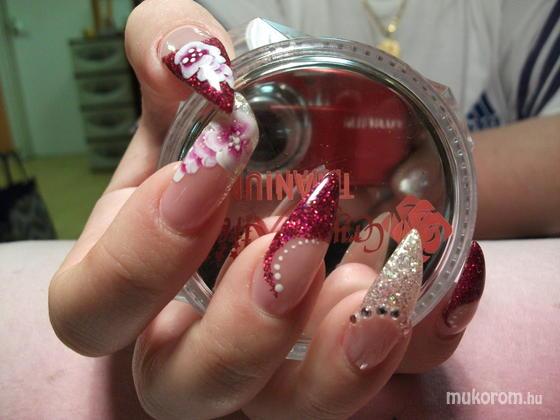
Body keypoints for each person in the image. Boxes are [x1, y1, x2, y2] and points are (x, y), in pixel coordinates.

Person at [47, 0, 558, 418]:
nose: (319, 168)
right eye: (271, 136)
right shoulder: (229, 14)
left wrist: (401, 181)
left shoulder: (515, 11)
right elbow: (190, 117)